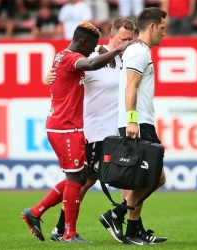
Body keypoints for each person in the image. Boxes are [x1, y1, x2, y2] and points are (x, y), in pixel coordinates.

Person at [45, 16, 167, 244]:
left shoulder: (128, 57)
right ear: (111, 37)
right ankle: (60, 228)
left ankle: (130, 227)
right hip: (95, 129)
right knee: (85, 180)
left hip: (117, 129)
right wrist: (49, 77)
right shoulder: (92, 56)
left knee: (127, 176)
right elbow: (65, 75)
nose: (128, 43)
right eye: (123, 39)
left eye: (131, 39)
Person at [20, 21, 134, 243]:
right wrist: (117, 50)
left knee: (83, 177)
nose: (93, 48)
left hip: (75, 127)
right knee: (78, 179)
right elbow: (89, 64)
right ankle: (67, 232)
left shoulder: (65, 56)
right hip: (70, 127)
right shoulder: (78, 58)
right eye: (91, 45)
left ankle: (36, 213)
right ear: (83, 41)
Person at [99, 7, 168, 245]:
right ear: (151, 27)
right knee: (155, 178)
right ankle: (115, 215)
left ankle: (134, 230)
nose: (163, 33)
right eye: (161, 28)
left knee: (139, 178)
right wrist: (131, 119)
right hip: (138, 123)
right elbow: (131, 86)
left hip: (140, 122)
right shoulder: (139, 51)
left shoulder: (139, 50)